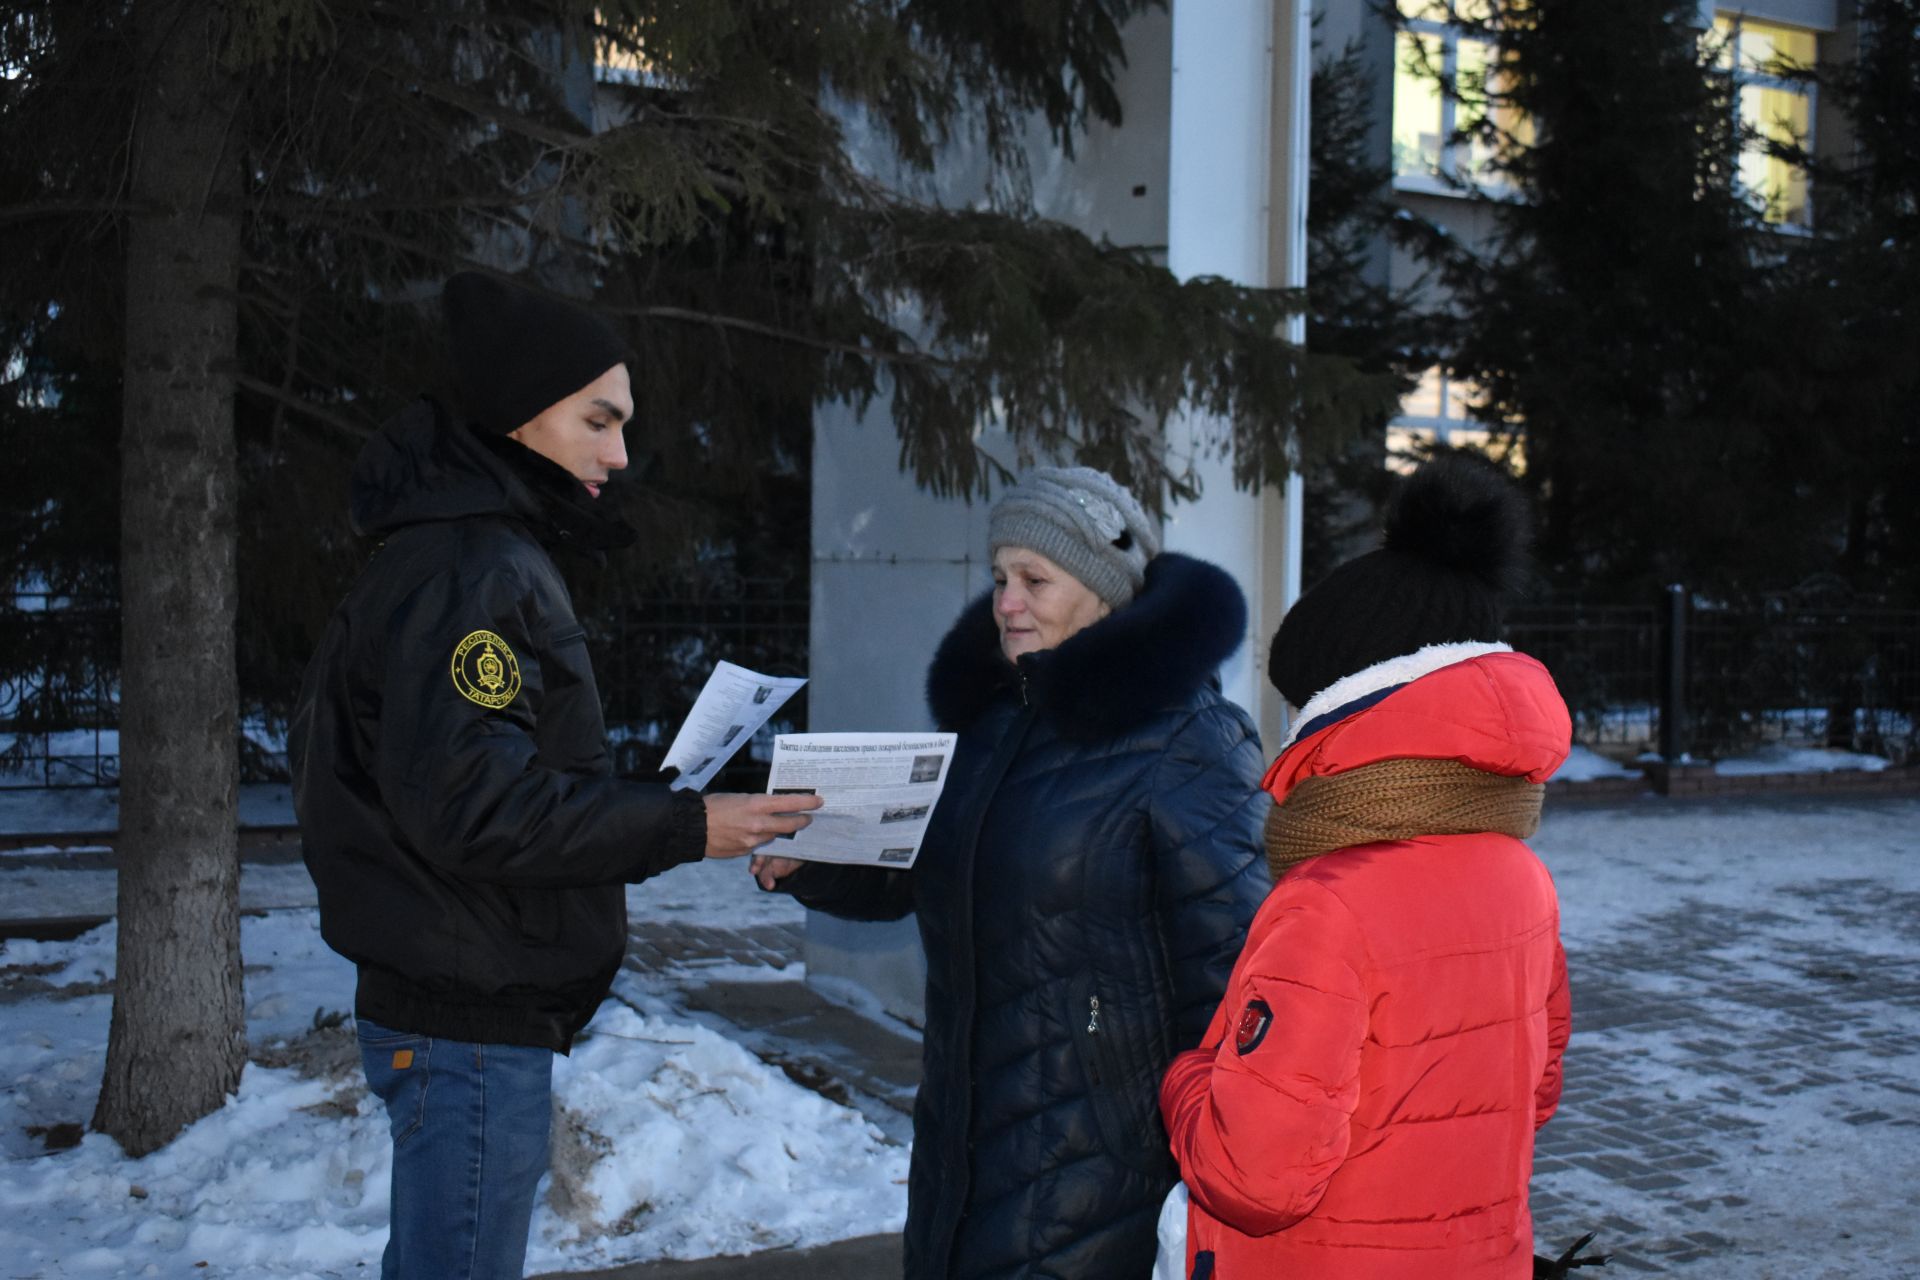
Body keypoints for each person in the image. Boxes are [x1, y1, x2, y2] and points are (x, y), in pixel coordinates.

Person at [288, 271, 819, 1280]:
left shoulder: (467, 551)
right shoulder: (471, 568)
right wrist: (684, 825)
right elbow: (480, 808)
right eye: (599, 418)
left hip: (461, 1001)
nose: (620, 452)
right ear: (521, 415)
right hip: (465, 1019)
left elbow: (466, 776)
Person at [753, 466, 1271, 1279]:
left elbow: (1237, 974)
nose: (1006, 603)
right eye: (999, 578)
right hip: (962, 1149)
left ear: (1106, 592)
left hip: (1101, 1172)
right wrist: (814, 859)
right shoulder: (993, 724)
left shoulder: (1192, 741)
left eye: (1035, 579)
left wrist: (1204, 1170)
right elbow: (925, 875)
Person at [1157, 449, 1573, 1279]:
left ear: (1341, 710)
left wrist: (1187, 1077)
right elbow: (1533, 1092)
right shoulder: (1518, 868)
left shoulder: (1330, 901)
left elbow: (1254, 1177)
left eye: (1299, 705)